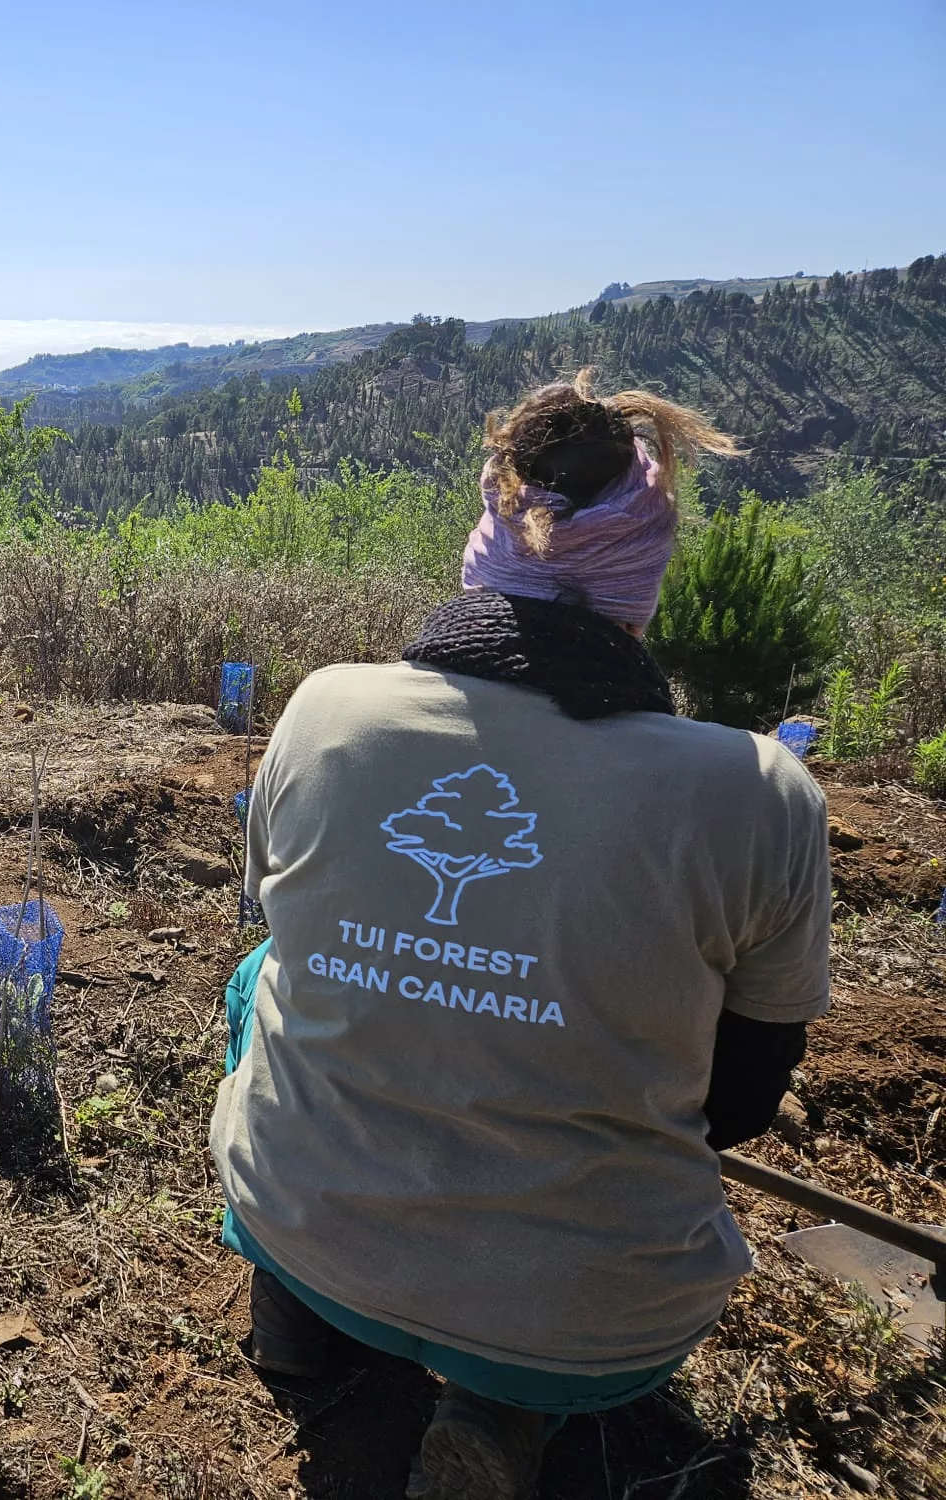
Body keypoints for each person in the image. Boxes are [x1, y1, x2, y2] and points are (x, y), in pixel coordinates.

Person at [210, 371, 830, 1500]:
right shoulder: (755, 790)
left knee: (260, 975)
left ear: (487, 546)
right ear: (641, 573)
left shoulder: (326, 707)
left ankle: (297, 1312)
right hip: (598, 1323)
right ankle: (500, 1405)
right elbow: (739, 1101)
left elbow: (277, 915)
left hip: (299, 1216)